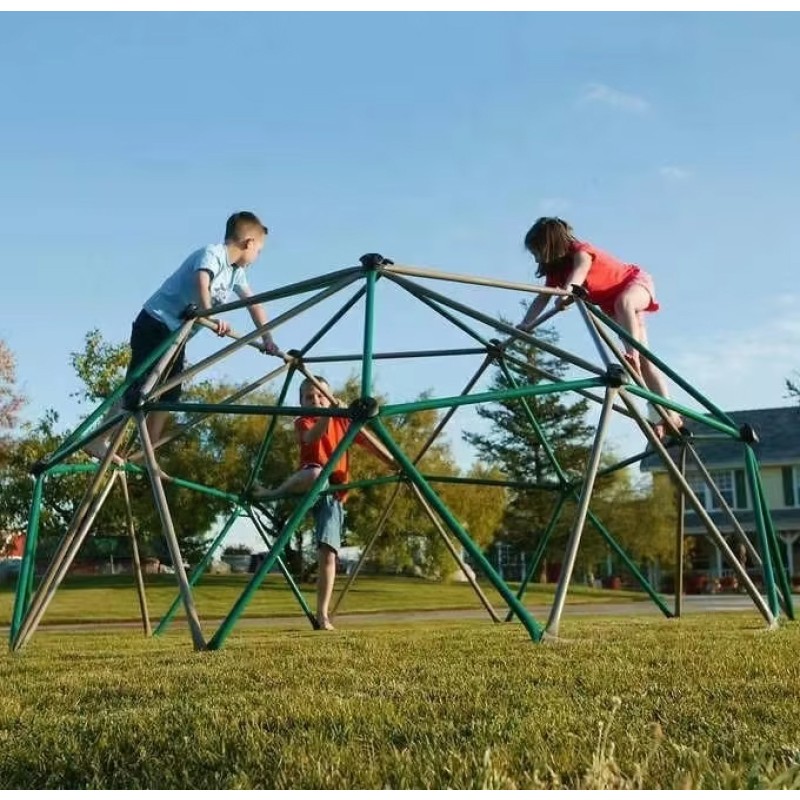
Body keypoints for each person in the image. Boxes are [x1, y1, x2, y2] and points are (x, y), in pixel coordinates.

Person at [84, 211, 279, 462]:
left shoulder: (236, 273)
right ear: (249, 243)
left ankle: (149, 451)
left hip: (176, 337)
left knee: (169, 393)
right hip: (155, 322)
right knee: (139, 384)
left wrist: (267, 338)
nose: (257, 257)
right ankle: (99, 439)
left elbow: (254, 304)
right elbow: (202, 281)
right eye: (259, 251)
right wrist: (210, 315)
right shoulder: (213, 254)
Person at [516, 216, 682, 437]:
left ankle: (631, 355)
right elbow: (542, 298)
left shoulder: (581, 251)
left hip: (634, 283)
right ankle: (663, 416)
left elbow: (580, 272)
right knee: (645, 362)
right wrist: (526, 324)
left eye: (537, 251)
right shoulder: (555, 272)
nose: (536, 258)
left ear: (550, 245)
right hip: (612, 307)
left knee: (626, 305)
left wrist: (568, 292)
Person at [253, 376, 392, 631]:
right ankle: (273, 492)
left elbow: (368, 441)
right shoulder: (303, 420)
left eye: (321, 396)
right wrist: (328, 412)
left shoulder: (343, 420)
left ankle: (322, 615)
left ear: (331, 396)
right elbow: (311, 439)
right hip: (309, 481)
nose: (315, 400)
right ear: (301, 402)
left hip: (334, 492)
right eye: (309, 397)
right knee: (316, 474)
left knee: (328, 553)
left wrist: (395, 463)